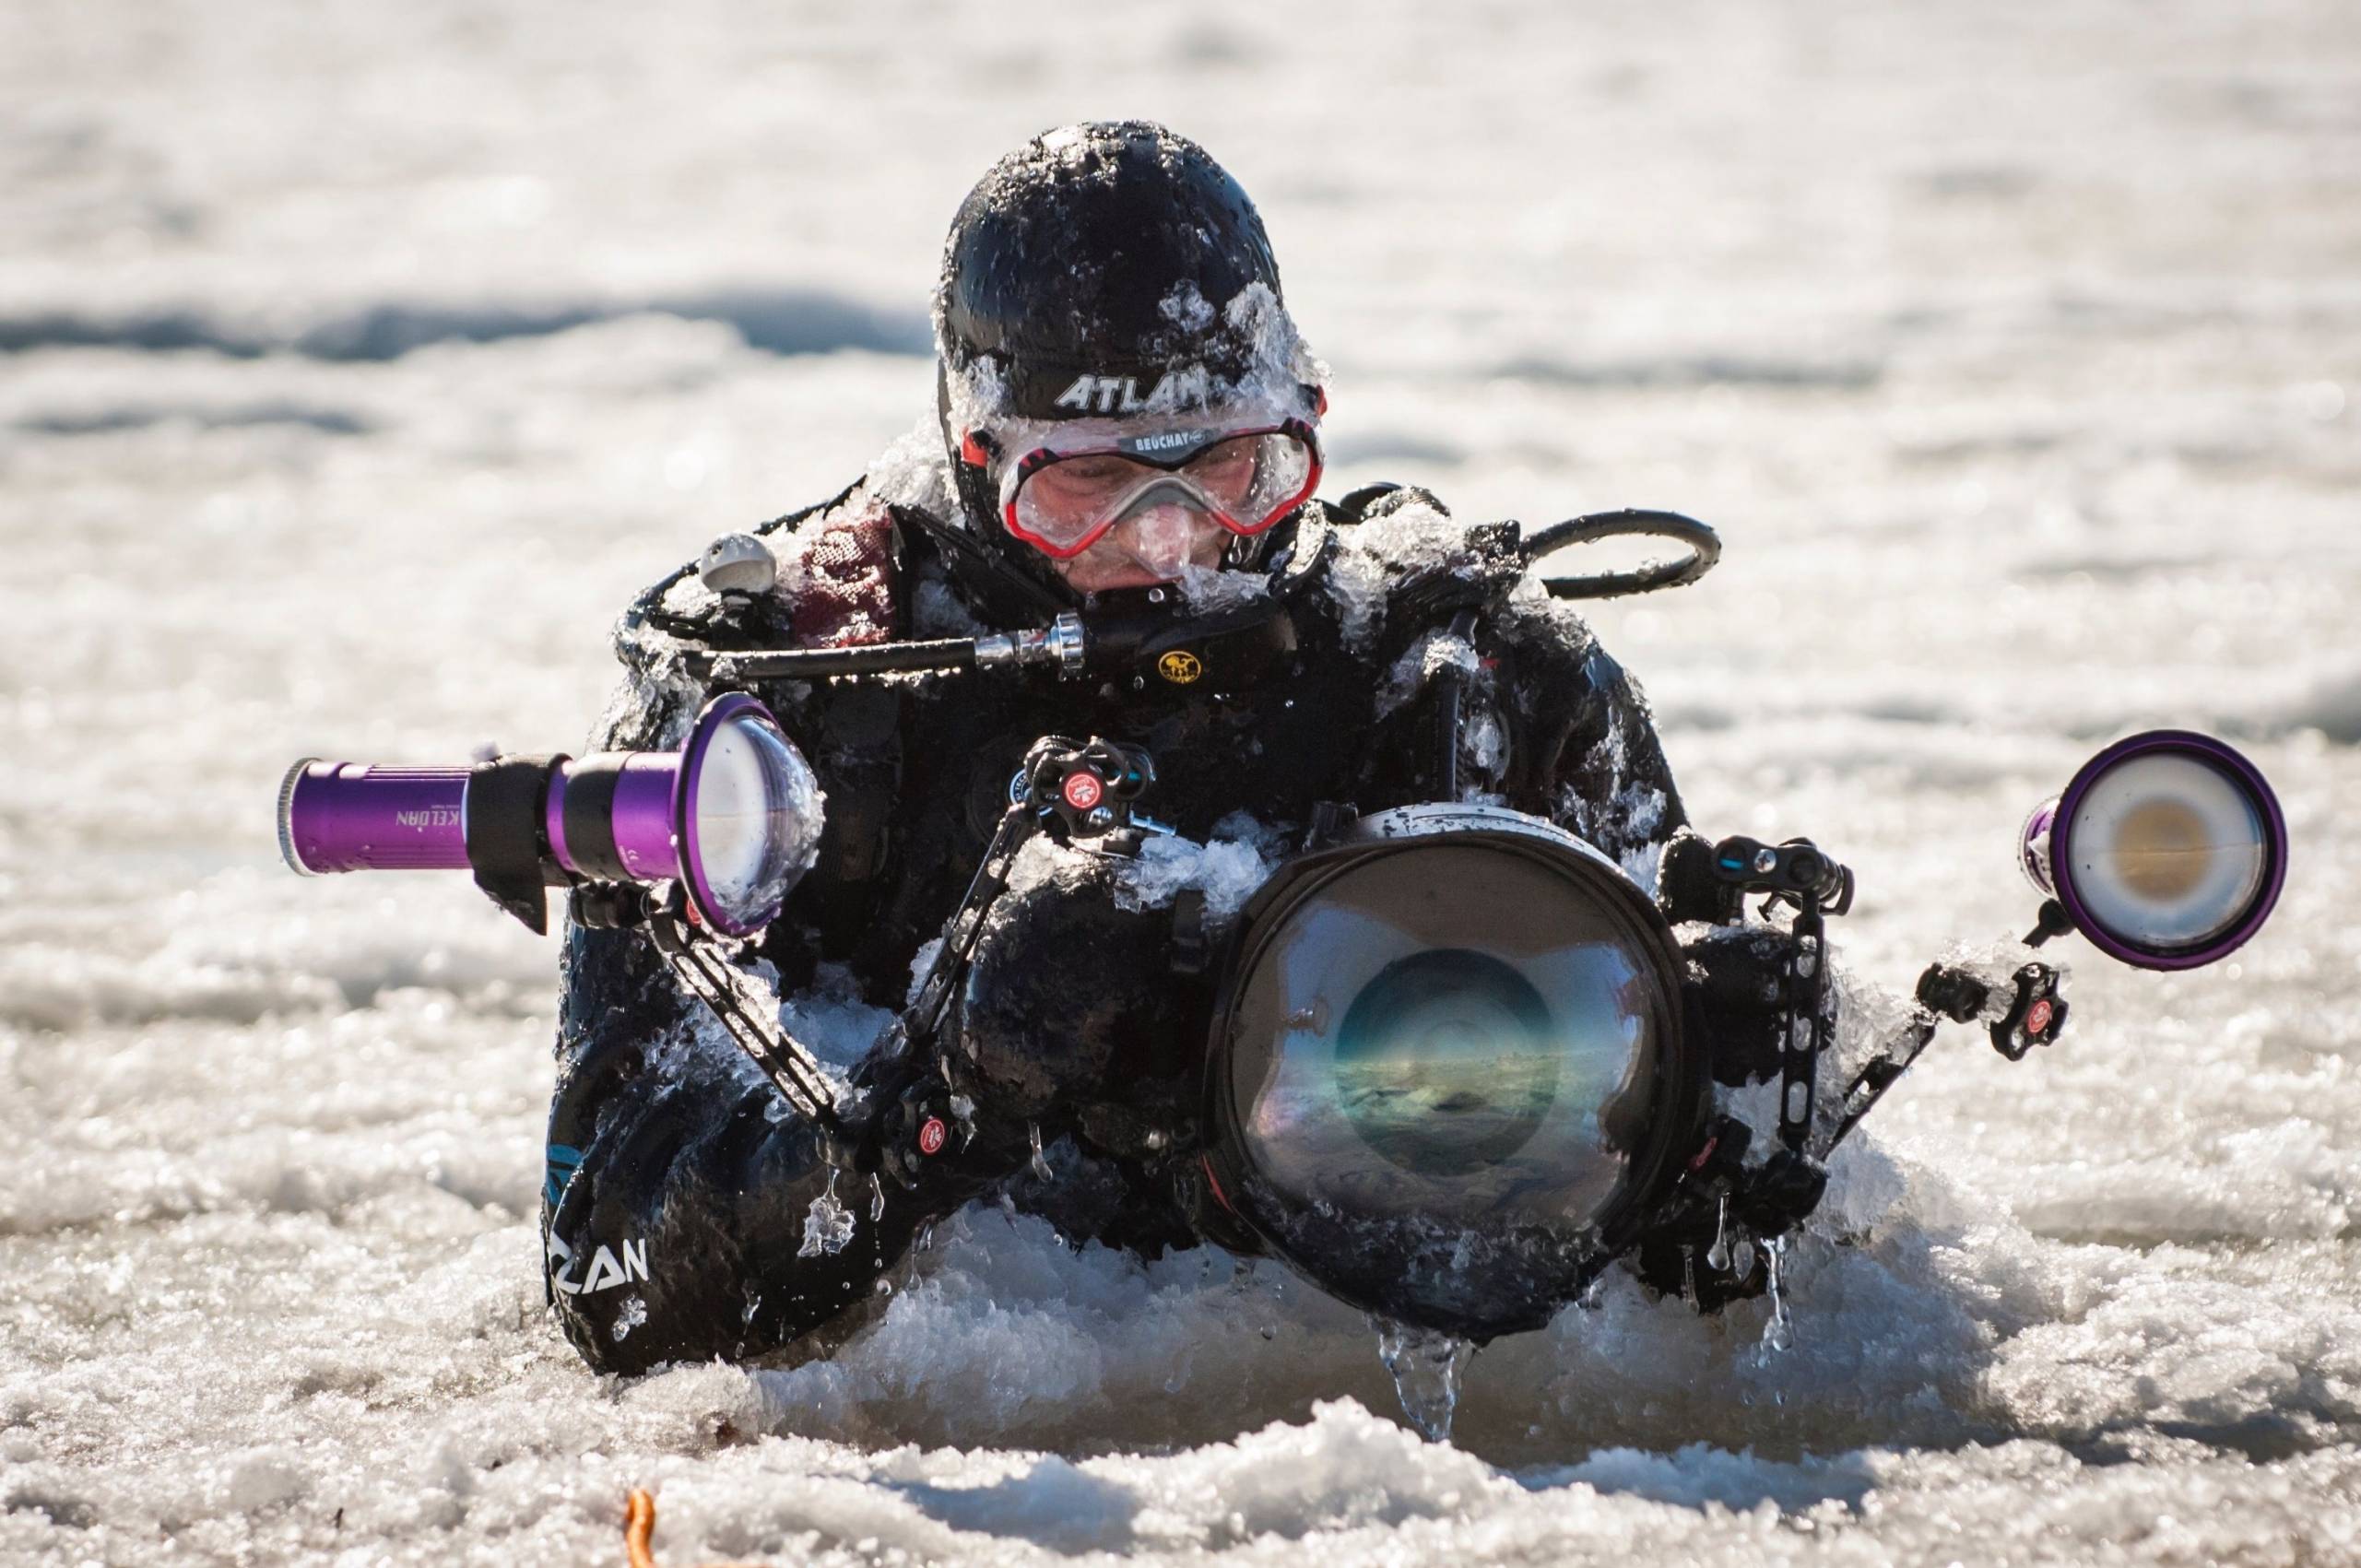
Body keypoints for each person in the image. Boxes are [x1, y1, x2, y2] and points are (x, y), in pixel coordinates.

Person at [541, 122, 1777, 1374]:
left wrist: (1714, 1115)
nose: (1175, 542)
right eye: (1090, 489)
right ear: (979, 455)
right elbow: (609, 1281)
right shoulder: (787, 703)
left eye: (1239, 469)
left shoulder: (1468, 676)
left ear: (1305, 426)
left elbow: (1695, 1292)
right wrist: (940, 1097)